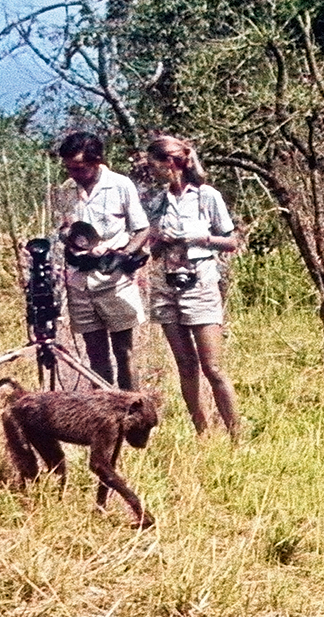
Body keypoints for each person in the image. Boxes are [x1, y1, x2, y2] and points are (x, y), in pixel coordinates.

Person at [143, 133, 243, 440]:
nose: (152, 170)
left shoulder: (206, 196)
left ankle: (237, 435)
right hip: (165, 283)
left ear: (172, 162)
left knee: (212, 367)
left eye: (155, 164)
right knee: (185, 366)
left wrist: (199, 239)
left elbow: (232, 241)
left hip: (200, 281)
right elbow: (152, 251)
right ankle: (203, 434)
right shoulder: (158, 201)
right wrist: (160, 240)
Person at [49, 128, 149, 391]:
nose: (74, 174)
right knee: (96, 356)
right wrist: (69, 238)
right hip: (80, 282)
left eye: (79, 168)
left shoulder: (120, 185)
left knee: (124, 353)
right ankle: (103, 419)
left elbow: (142, 228)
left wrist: (124, 254)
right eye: (69, 168)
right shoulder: (67, 190)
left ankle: (131, 412)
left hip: (114, 280)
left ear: (97, 161)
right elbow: (62, 227)